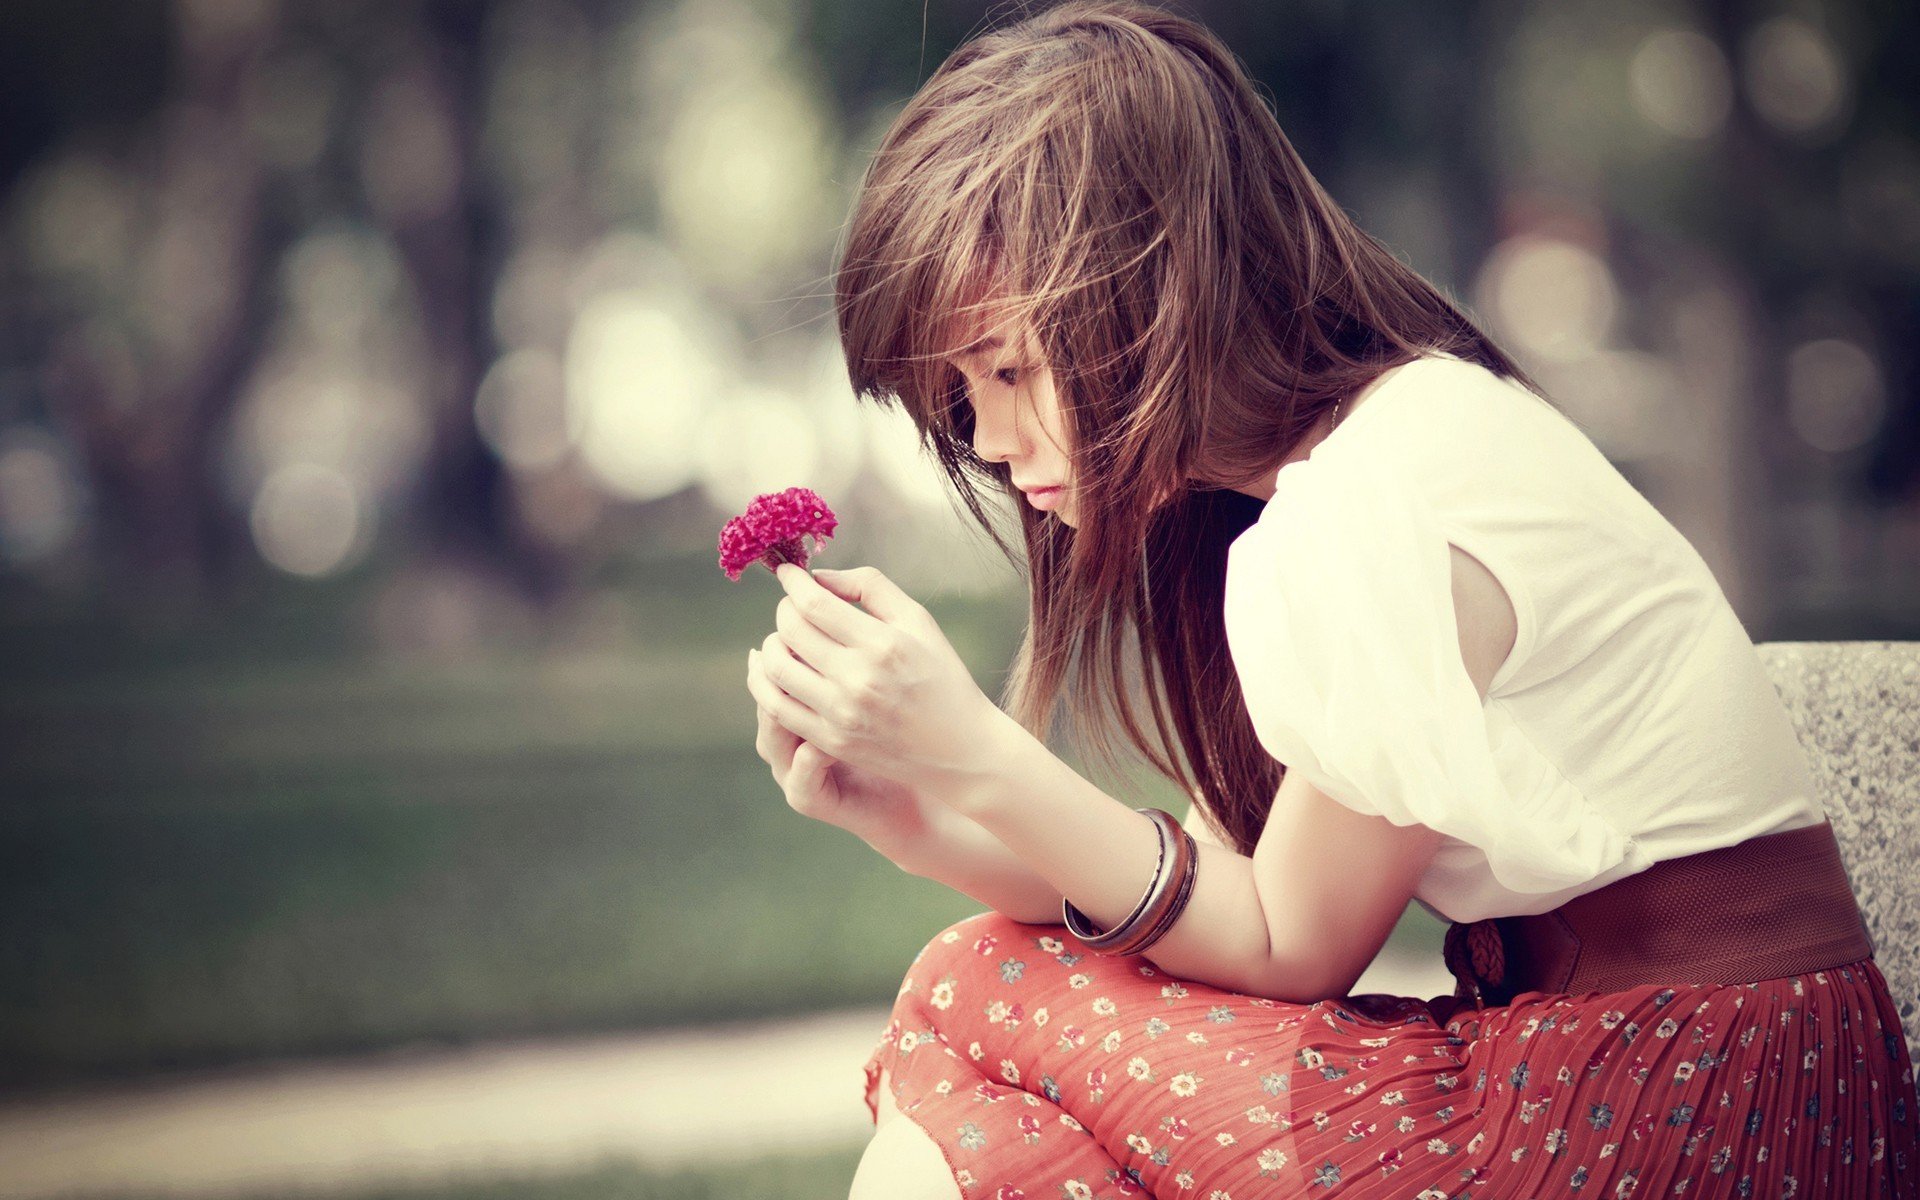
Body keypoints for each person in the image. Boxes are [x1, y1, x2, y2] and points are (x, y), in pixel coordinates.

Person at [742, 2, 1920, 1196]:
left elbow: (1279, 943)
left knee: (974, 986)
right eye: (962, 394)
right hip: (1656, 1073)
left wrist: (980, 753)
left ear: (1157, 289)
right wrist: (917, 816)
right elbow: (1210, 894)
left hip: (1694, 1098)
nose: (989, 439)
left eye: (1007, 370)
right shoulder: (1344, 477)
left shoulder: (1382, 493)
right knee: (1005, 1084)